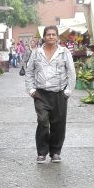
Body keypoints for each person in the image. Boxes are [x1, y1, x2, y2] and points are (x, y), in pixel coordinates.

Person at [24, 25, 77, 163]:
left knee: (58, 124)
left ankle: (55, 152)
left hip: (59, 94)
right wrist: (31, 90)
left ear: (57, 37)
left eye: (54, 34)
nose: (51, 37)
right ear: (44, 37)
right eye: (48, 35)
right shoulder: (36, 53)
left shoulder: (64, 52)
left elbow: (71, 72)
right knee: (42, 121)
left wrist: (68, 92)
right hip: (41, 94)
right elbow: (29, 72)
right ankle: (41, 152)